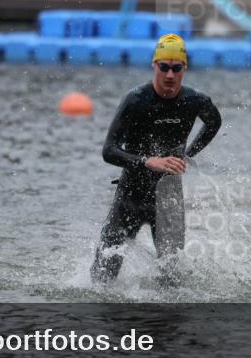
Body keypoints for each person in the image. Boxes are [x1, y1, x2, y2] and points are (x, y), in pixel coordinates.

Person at [91, 34, 222, 283]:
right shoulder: (135, 100)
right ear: (154, 65)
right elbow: (109, 151)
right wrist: (147, 161)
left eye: (176, 68)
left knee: (172, 281)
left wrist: (188, 154)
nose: (170, 75)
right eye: (164, 67)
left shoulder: (195, 100)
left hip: (168, 199)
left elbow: (214, 123)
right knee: (101, 276)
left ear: (184, 68)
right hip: (130, 195)